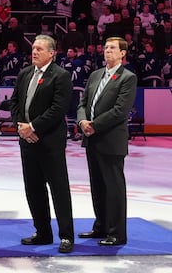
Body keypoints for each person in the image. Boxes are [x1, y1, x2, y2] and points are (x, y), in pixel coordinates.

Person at [9, 34, 75, 254]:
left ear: (51, 53)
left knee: (58, 189)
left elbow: (58, 109)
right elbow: (15, 102)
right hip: (27, 141)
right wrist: (21, 127)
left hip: (49, 142)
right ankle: (43, 232)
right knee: (34, 189)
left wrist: (33, 127)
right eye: (33, 48)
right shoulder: (25, 73)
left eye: (39, 49)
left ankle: (66, 236)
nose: (34, 52)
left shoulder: (61, 76)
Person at [77, 37, 138, 246]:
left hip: (111, 140)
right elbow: (83, 103)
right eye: (105, 48)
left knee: (113, 188)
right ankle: (101, 226)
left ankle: (117, 233)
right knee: (97, 186)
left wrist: (94, 124)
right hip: (91, 139)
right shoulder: (95, 75)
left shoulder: (127, 77)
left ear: (123, 53)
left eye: (112, 48)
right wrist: (82, 120)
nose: (107, 51)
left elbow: (120, 111)